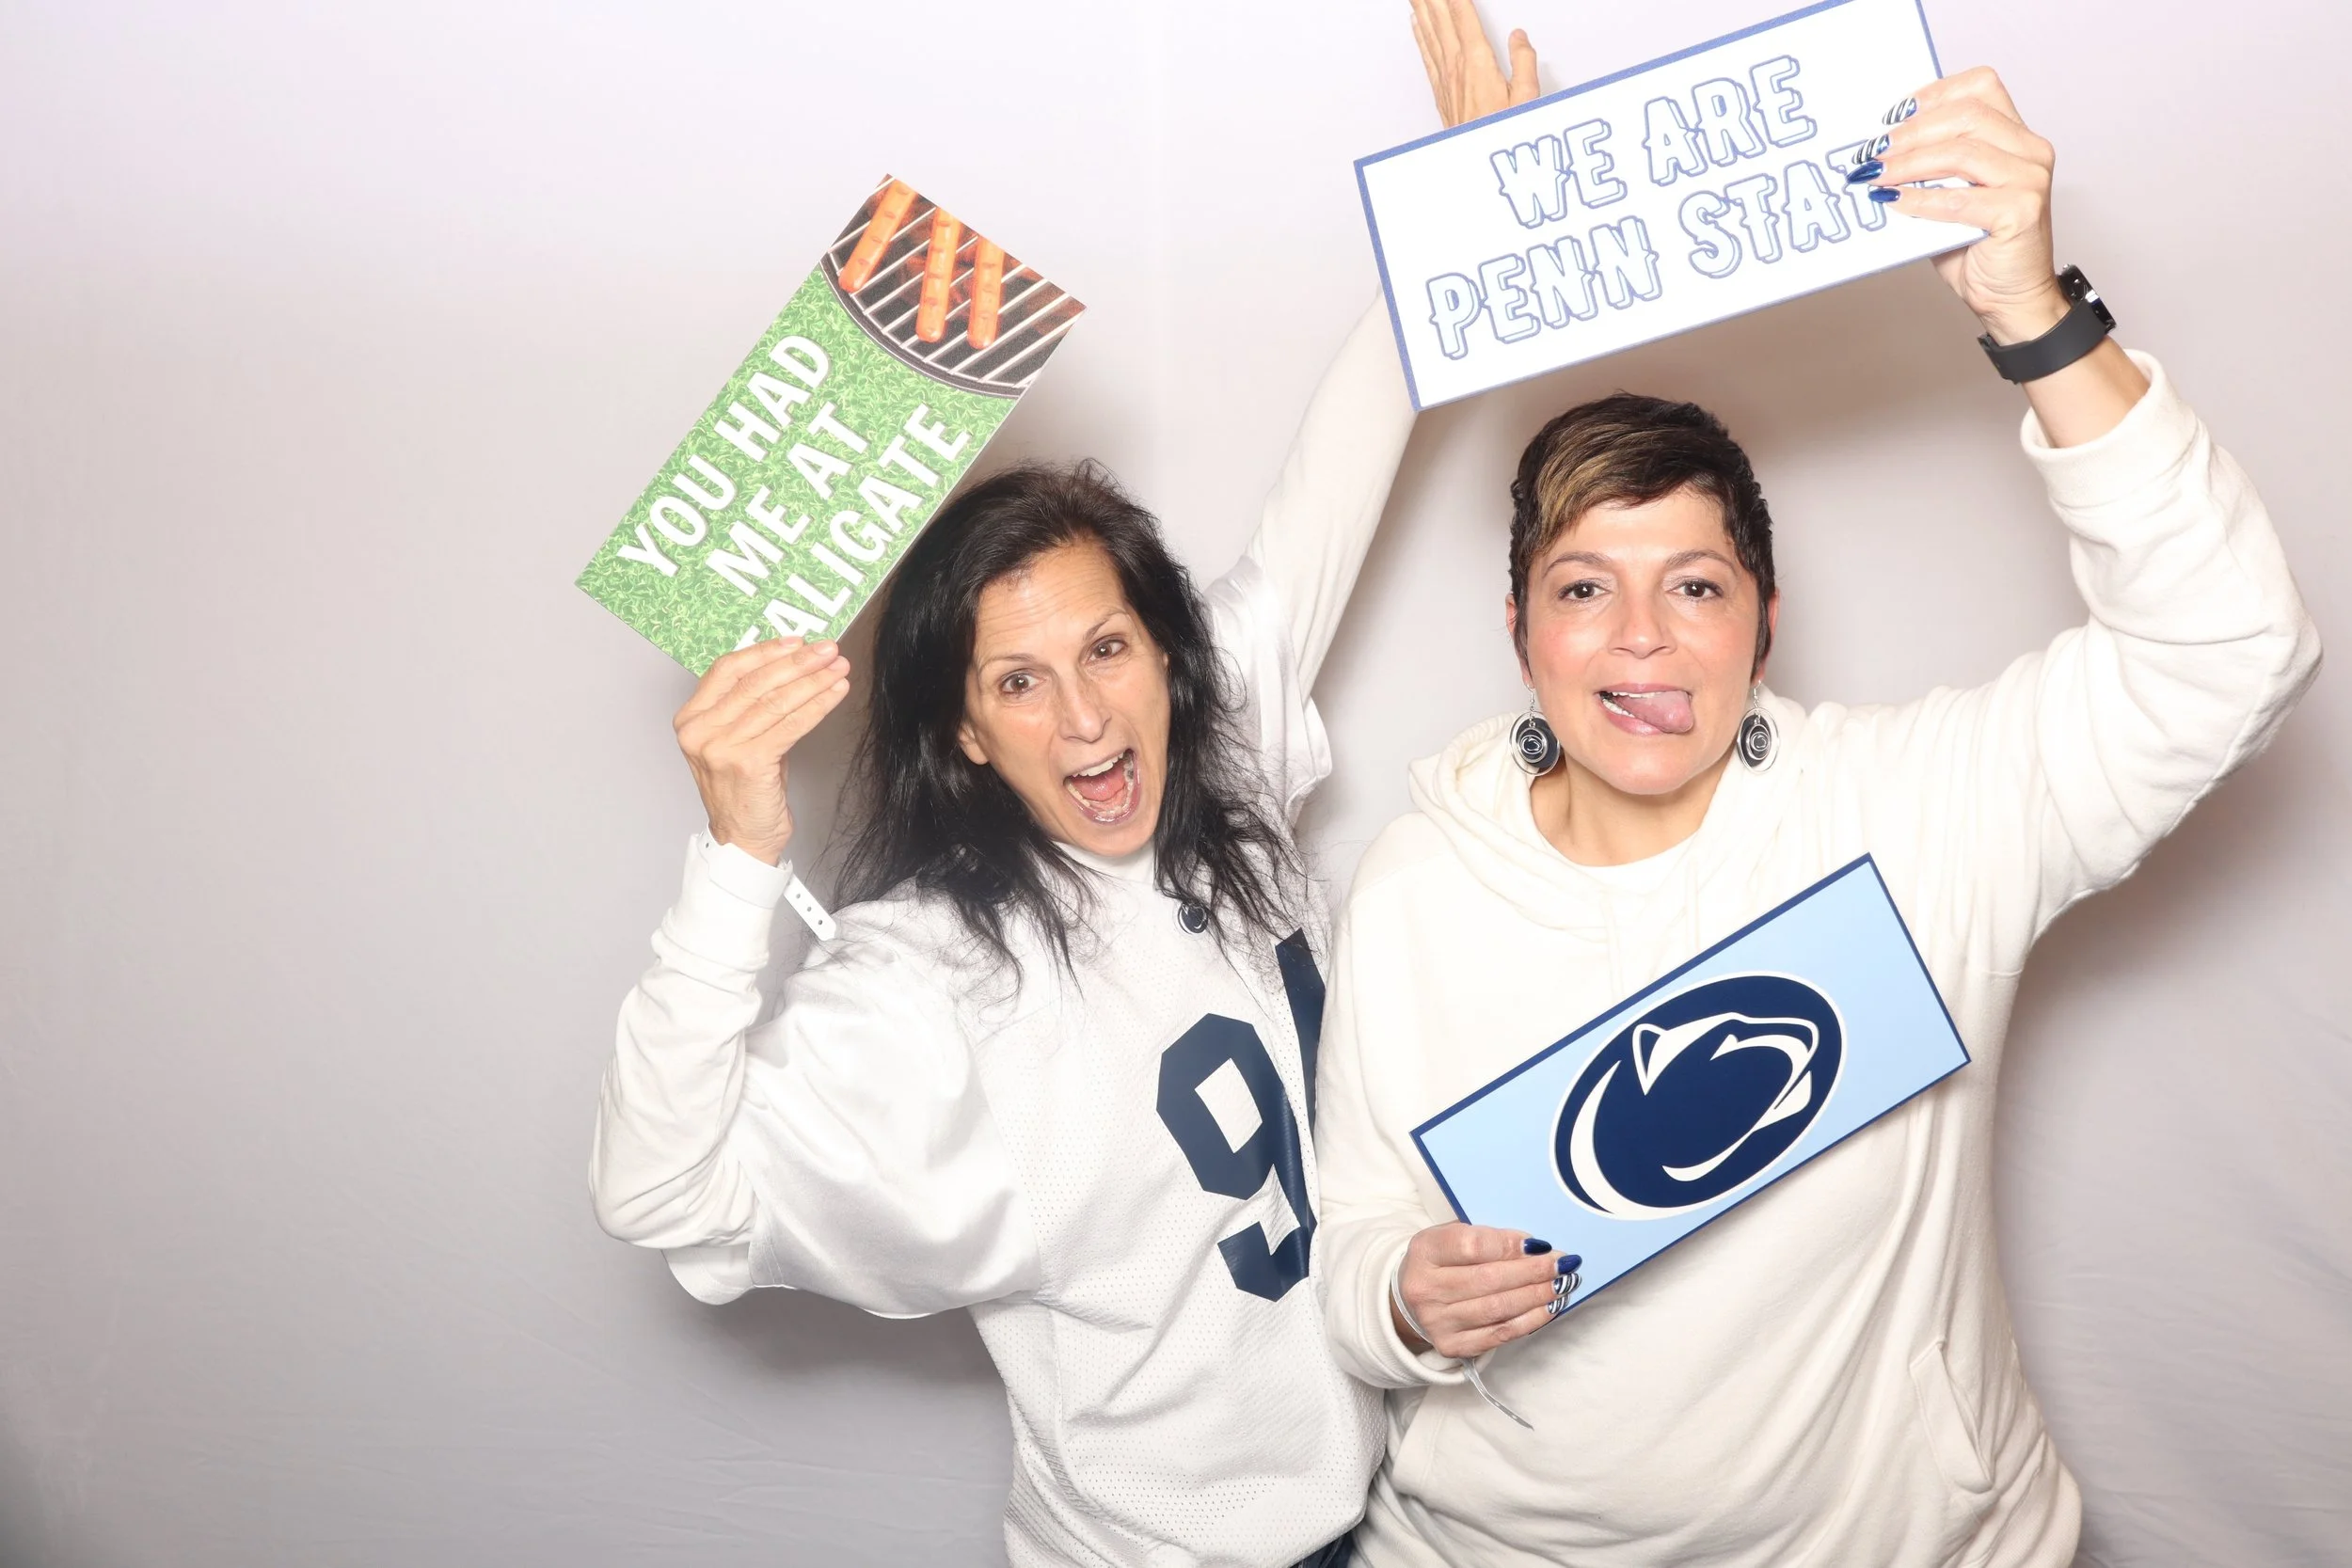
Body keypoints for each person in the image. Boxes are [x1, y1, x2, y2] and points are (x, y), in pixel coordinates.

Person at [1311, 38, 2322, 1568]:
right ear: (1520, 631)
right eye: (1585, 587)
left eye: (1695, 586)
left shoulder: (1922, 810)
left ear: (1764, 621)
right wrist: (1402, 1296)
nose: (1641, 636)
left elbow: (2235, 649)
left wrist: (2033, 315)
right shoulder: (1410, 884)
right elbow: (1355, 1258)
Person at [585, 15, 1544, 1562]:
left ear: (1163, 654)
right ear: (963, 727)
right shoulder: (933, 980)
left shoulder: (1202, 731)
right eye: (1018, 680)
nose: (1086, 715)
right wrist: (734, 860)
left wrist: (1456, 203)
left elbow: (1329, 490)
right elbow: (662, 1193)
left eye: (1108, 649)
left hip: (1391, 1511)